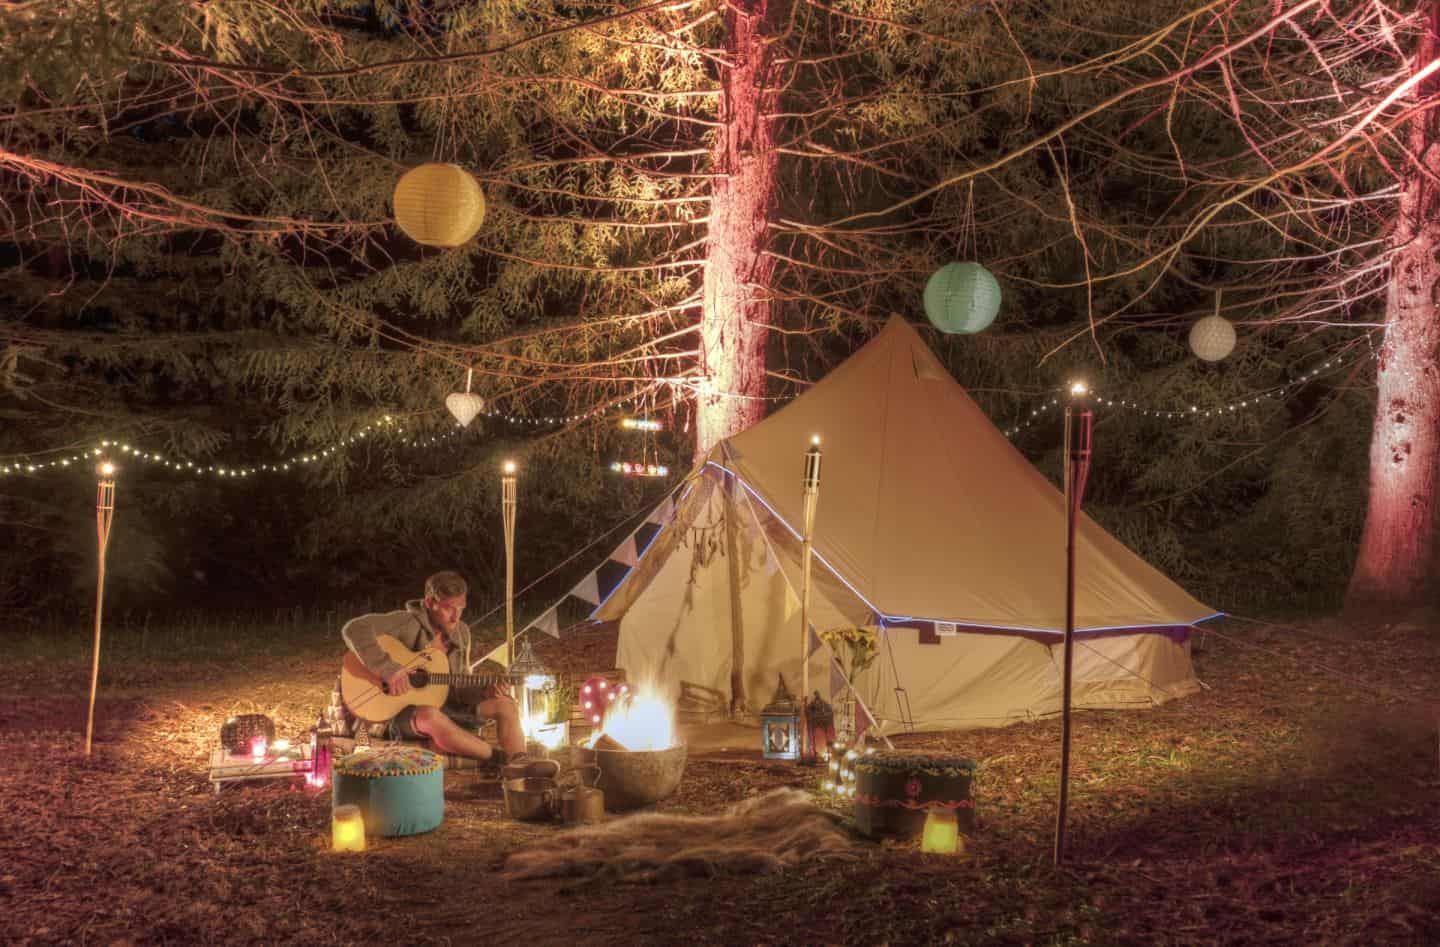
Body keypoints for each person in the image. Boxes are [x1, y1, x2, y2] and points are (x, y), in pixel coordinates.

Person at [341, 569, 558, 777]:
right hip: (400, 709)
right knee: (432, 716)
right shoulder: (406, 623)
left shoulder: (461, 633)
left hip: (448, 705)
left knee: (505, 704)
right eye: (448, 608)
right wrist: (388, 670)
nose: (456, 617)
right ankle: (500, 759)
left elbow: (458, 685)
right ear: (429, 603)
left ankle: (520, 762)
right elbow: (353, 628)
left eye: (461, 608)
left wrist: (484, 690)